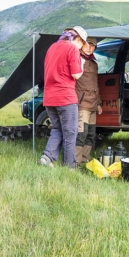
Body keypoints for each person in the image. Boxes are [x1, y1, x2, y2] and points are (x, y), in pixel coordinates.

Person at [39, 26, 88, 169]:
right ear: (77, 38)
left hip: (49, 97)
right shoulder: (72, 49)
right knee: (70, 132)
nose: (80, 48)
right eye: (82, 44)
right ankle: (69, 167)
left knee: (57, 128)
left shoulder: (52, 47)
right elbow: (76, 74)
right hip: (65, 97)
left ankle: (47, 157)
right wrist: (82, 64)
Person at [75, 37, 103, 164]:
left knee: (91, 133)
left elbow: (96, 85)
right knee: (81, 133)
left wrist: (99, 103)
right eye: (87, 44)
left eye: (92, 46)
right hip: (81, 103)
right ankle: (76, 161)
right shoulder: (77, 59)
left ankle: (85, 160)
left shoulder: (94, 63)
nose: (89, 47)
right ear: (82, 45)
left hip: (93, 104)